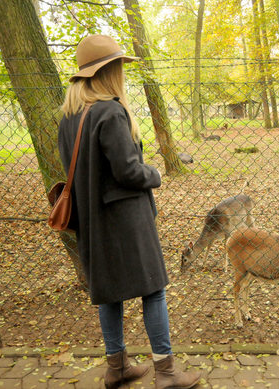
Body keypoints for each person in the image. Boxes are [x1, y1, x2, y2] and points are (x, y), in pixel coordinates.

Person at [58, 34, 201, 389]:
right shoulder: (110, 111)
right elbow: (128, 171)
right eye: (120, 65)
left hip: (92, 221)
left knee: (109, 292)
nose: (123, 71)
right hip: (126, 221)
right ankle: (166, 372)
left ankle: (117, 367)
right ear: (110, 71)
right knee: (153, 289)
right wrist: (153, 173)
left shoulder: (69, 117)